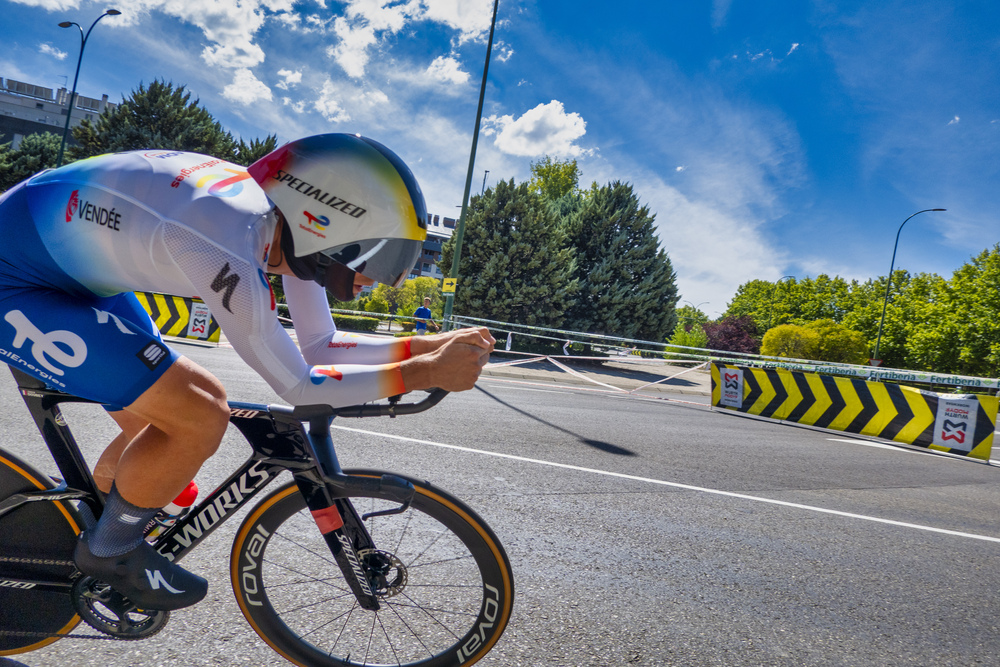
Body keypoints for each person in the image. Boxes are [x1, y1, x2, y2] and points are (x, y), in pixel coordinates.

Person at [0, 134, 494, 611]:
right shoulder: (227, 234)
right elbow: (299, 384)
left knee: (159, 443)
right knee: (199, 411)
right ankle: (110, 551)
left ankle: (93, 523)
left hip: (68, 272)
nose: (376, 276)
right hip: (15, 281)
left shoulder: (281, 224)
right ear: (326, 223)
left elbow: (322, 343)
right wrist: (425, 371)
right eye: (376, 253)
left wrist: (427, 345)